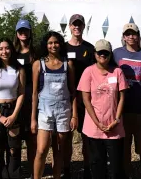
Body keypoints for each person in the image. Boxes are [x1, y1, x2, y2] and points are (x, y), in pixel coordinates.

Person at [78, 39, 127, 179]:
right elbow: (86, 100)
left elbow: (122, 97)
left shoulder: (117, 72)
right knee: (97, 164)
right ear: (95, 54)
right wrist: (97, 122)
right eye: (100, 53)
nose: (103, 56)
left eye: (106, 53)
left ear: (110, 54)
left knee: (115, 166)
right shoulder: (88, 72)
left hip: (114, 126)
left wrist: (117, 120)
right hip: (94, 127)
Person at [113, 23, 141, 179]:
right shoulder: (116, 53)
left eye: (134, 34)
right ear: (124, 37)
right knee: (124, 146)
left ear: (138, 36)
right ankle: (127, 173)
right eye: (128, 34)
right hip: (122, 107)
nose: (131, 37)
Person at [31, 32, 77, 179]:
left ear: (60, 44)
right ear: (46, 45)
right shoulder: (39, 64)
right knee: (41, 149)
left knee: (59, 150)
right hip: (44, 110)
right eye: (50, 43)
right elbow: (34, 94)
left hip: (64, 110)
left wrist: (74, 115)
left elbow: (73, 92)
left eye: (56, 42)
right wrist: (33, 119)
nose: (53, 45)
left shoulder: (67, 64)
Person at [0, 38, 25, 179]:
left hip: (13, 110)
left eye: (7, 48)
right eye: (1, 48)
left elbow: (21, 92)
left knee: (14, 149)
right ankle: (0, 175)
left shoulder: (19, 69)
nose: (4, 51)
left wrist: (14, 115)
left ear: (12, 49)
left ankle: (14, 175)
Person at [64, 14, 95, 179]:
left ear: (83, 27)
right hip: (65, 97)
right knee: (66, 136)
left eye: (79, 25)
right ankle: (66, 168)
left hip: (85, 98)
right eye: (74, 24)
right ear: (70, 26)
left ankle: (87, 167)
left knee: (86, 136)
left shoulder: (89, 49)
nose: (77, 27)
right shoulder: (62, 48)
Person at [14, 19, 37, 177]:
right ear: (16, 33)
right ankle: (15, 169)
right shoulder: (12, 53)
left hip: (32, 96)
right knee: (15, 137)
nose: (23, 33)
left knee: (31, 137)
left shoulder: (36, 53)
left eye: (26, 30)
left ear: (30, 33)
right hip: (15, 97)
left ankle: (32, 168)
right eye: (20, 30)